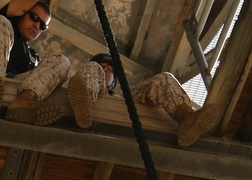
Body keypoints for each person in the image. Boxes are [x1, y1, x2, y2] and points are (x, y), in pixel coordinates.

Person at [66, 52, 211, 147]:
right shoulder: (92, 70)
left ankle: (186, 118)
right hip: (93, 95)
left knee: (163, 79)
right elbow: (93, 70)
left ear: (114, 80)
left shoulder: (122, 97)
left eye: (110, 70)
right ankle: (83, 105)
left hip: (128, 105)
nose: (105, 70)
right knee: (92, 67)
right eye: (102, 67)